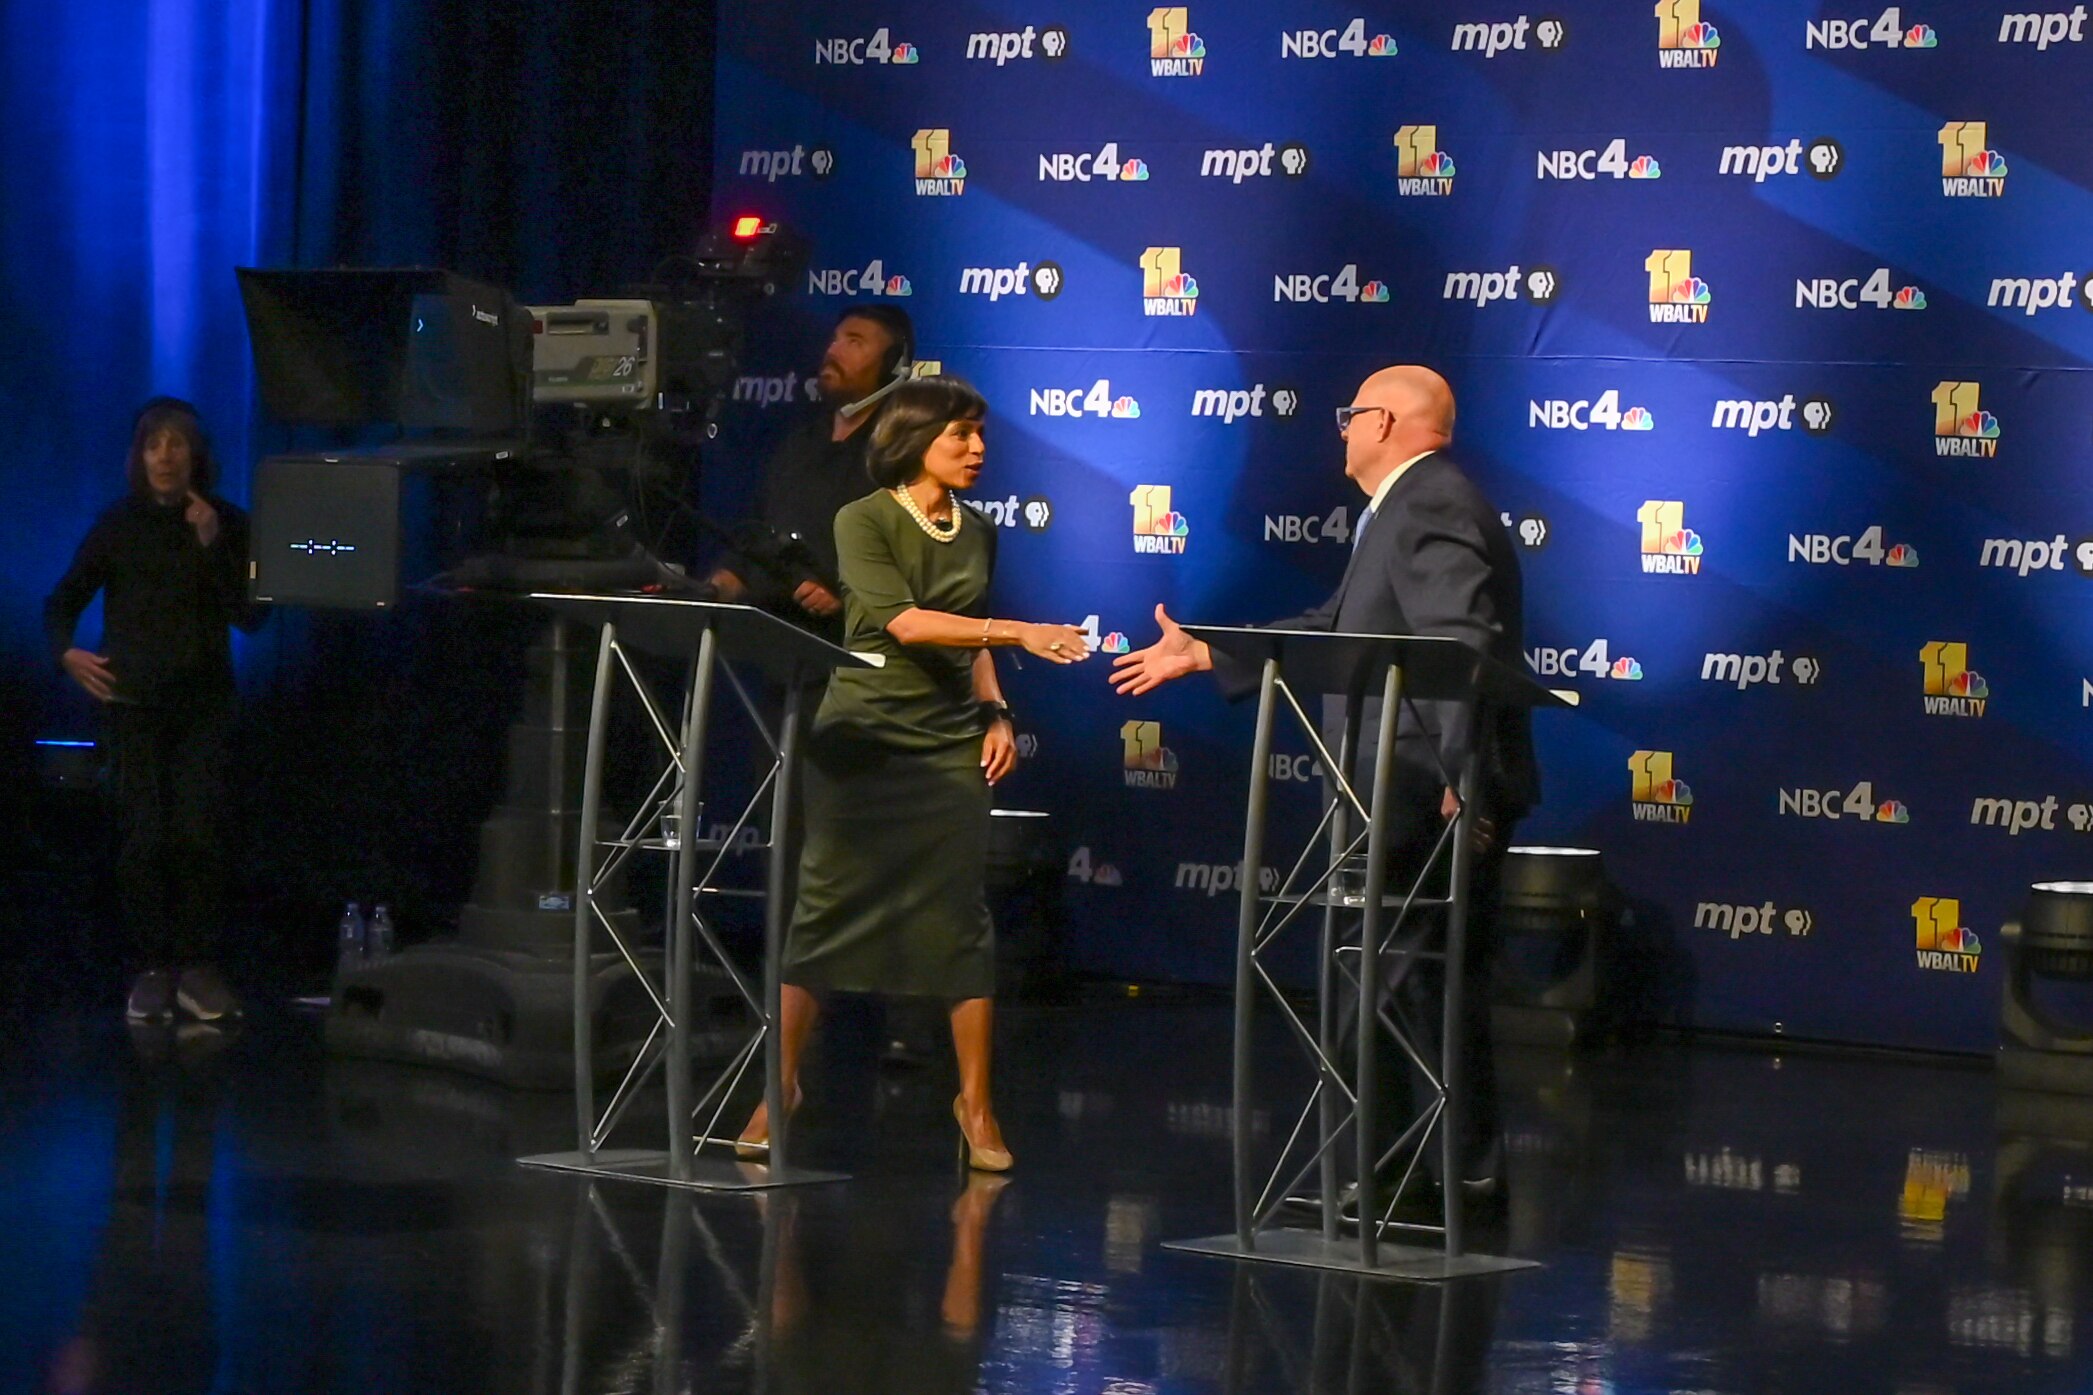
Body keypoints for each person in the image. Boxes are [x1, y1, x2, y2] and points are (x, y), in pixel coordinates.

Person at [1110, 365, 1536, 1220]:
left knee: (1398, 983)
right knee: (1399, 985)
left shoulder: (1428, 502)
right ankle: (1421, 1170)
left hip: (1414, 785)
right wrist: (1207, 651)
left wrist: (1462, 777)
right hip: (1400, 782)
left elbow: (1460, 643)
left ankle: (1406, 1173)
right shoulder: (1404, 507)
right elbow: (1342, 624)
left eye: (1348, 416)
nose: (1339, 430)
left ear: (1382, 422)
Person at [735, 376, 1091, 1172]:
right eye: (959, 435)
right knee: (823, 909)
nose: (976, 449)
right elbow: (904, 622)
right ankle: (780, 1084)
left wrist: (996, 711)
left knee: (959, 919)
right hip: (861, 739)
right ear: (914, 437)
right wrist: (1022, 631)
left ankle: (975, 1104)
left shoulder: (978, 527)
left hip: (944, 744)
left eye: (980, 436)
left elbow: (971, 639)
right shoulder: (861, 518)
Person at [44, 398, 265, 1024]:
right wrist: (66, 654)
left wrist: (212, 545)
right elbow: (61, 601)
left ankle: (196, 968)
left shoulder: (228, 522)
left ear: (196, 453)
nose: (165, 456)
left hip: (203, 710)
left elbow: (253, 617)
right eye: (153, 445)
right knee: (143, 841)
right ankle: (150, 972)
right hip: (133, 709)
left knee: (199, 835)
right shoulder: (118, 524)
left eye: (176, 443)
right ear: (140, 456)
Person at [709, 304, 918, 640]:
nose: (833, 351)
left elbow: (913, 558)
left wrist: (846, 594)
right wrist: (728, 579)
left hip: (855, 650)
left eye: (854, 342)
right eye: (834, 340)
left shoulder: (901, 455)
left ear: (893, 367)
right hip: (778, 642)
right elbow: (759, 529)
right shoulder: (798, 443)